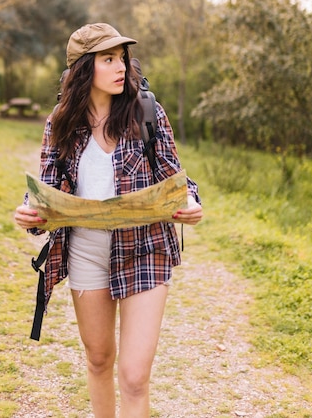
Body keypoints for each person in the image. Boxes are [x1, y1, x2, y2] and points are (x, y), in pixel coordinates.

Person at [14, 22, 203, 418]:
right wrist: (31, 212)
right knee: (98, 360)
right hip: (86, 253)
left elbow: (174, 175)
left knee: (134, 376)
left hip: (146, 249)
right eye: (108, 59)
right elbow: (46, 190)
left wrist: (190, 201)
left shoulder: (146, 112)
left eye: (122, 59)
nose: (121, 68)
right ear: (85, 68)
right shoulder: (61, 122)